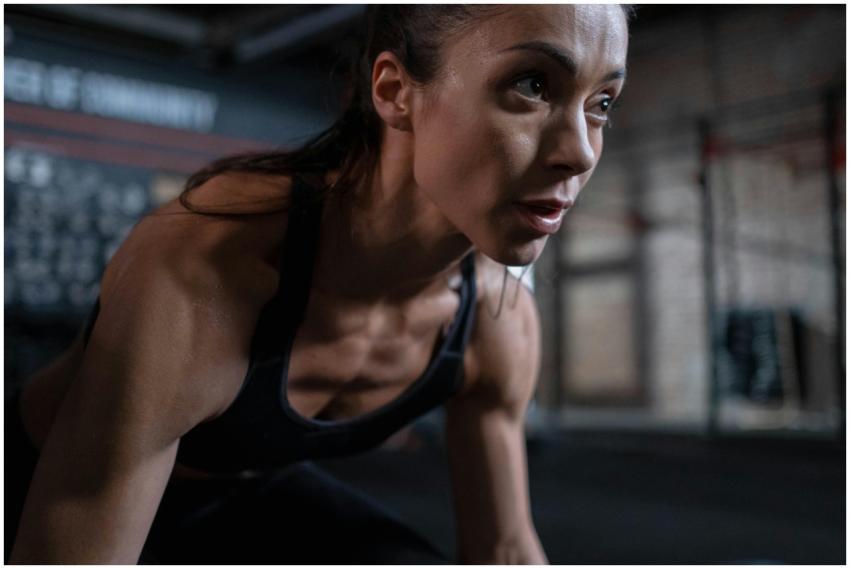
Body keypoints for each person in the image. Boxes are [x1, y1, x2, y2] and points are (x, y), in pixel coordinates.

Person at [6, 4, 629, 564]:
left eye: (601, 103)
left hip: (249, 491)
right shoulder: (209, 270)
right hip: (42, 488)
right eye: (531, 85)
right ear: (395, 92)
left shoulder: (496, 320)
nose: (579, 152)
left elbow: (505, 548)